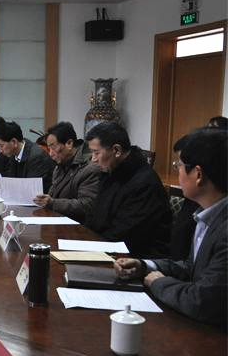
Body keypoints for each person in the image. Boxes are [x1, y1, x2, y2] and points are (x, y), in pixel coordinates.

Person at [115, 127, 227, 327]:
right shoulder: (208, 215)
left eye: (179, 165)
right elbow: (192, 268)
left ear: (198, 174)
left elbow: (202, 301)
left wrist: (158, 282)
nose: (177, 172)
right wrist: (145, 266)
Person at [85, 122, 171, 257]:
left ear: (117, 150)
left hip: (137, 257)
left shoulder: (144, 183)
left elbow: (127, 234)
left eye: (96, 153)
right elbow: (94, 216)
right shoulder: (110, 171)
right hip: (106, 246)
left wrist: (89, 246)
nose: (93, 160)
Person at [32, 121, 100, 222]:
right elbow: (53, 195)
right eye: (49, 148)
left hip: (78, 226)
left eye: (53, 147)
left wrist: (52, 203)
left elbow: (86, 205)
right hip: (58, 221)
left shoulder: (90, 167)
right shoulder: (60, 165)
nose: (50, 154)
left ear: (69, 143)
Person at [0, 120, 55, 193]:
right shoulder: (14, 153)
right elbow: (12, 179)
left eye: (1, 146)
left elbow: (31, 189)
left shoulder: (37, 157)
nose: (0, 150)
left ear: (14, 142)